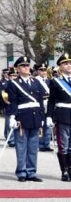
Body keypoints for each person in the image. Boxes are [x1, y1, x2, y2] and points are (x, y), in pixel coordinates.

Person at [6, 56, 46, 182]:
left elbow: (39, 100)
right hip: (22, 117)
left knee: (33, 146)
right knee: (21, 146)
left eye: (27, 65)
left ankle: (31, 172)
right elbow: (13, 102)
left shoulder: (36, 82)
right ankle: (22, 172)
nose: (26, 68)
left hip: (35, 117)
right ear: (17, 69)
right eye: (23, 66)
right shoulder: (13, 83)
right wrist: (12, 117)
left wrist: (42, 116)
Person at [48, 52, 71, 181]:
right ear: (60, 66)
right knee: (64, 145)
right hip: (63, 115)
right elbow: (51, 100)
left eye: (70, 63)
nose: (69, 65)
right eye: (65, 63)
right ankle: (65, 171)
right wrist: (49, 116)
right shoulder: (55, 82)